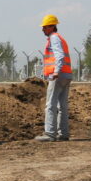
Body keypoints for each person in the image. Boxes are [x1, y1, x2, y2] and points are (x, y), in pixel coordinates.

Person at [34, 14, 72, 142]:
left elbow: (59, 55)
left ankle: (50, 133)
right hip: (66, 75)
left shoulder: (54, 38)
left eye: (45, 27)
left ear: (52, 26)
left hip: (58, 75)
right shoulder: (60, 38)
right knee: (62, 105)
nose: (43, 29)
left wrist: (56, 71)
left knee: (50, 104)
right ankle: (63, 133)